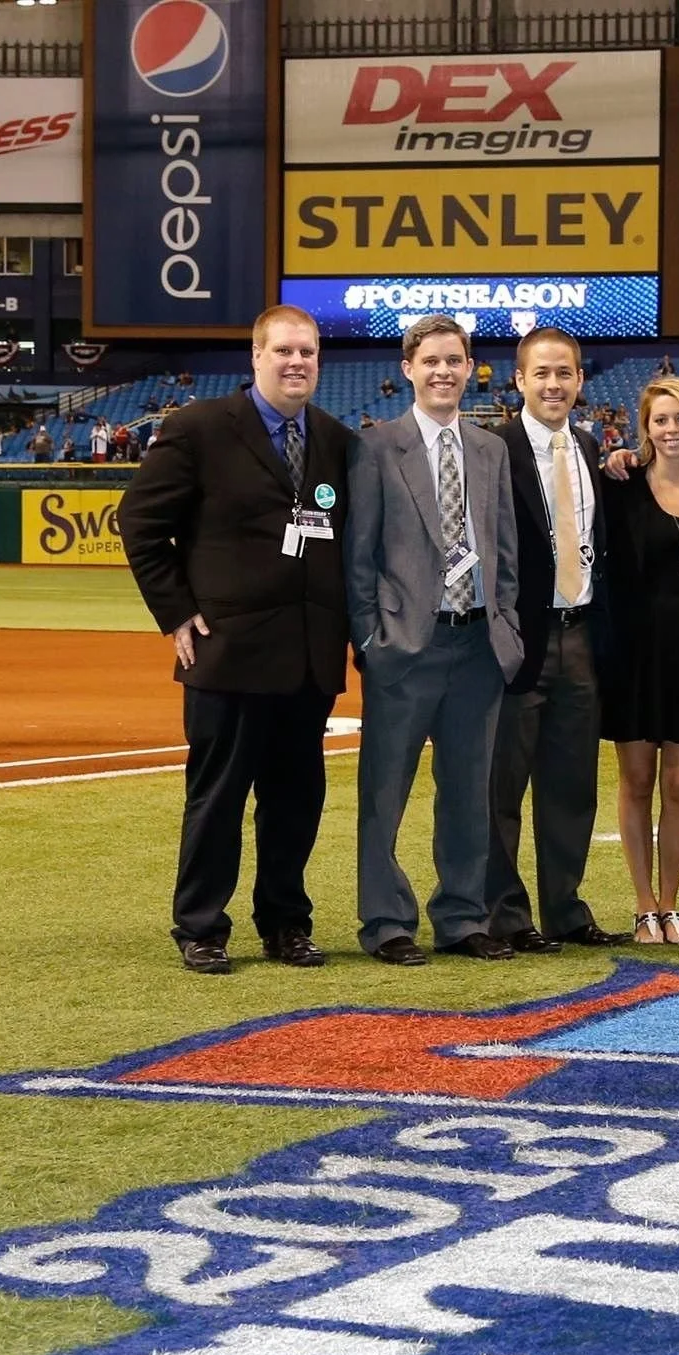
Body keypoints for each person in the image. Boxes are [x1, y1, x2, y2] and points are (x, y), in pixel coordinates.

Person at [117, 304, 356, 975]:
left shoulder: (337, 439)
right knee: (217, 798)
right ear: (256, 356)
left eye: (307, 351)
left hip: (307, 659)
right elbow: (138, 521)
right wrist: (174, 611)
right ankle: (201, 925)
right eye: (283, 351)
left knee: (295, 801)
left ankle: (286, 923)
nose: (296, 362)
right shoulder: (200, 429)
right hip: (227, 654)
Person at [347, 314, 523, 966]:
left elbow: (504, 553)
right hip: (405, 648)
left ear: (469, 366)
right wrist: (371, 637)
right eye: (432, 361)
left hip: (477, 646)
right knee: (384, 792)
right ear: (408, 369)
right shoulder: (376, 447)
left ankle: (462, 915)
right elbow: (359, 557)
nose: (444, 371)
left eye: (455, 360)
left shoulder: (490, 449)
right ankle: (387, 920)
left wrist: (505, 625)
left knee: (469, 792)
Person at [486, 327, 627, 953]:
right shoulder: (493, 450)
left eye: (564, 373)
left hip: (582, 635)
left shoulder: (591, 447)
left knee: (571, 786)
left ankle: (565, 909)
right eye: (541, 373)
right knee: (503, 786)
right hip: (520, 639)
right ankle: (505, 914)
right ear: (519, 380)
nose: (553, 384)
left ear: (578, 380)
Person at [601, 375, 679, 945]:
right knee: (637, 777)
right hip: (633, 649)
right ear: (644, 427)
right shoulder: (621, 485)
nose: (671, 430)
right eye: (660, 420)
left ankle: (672, 905)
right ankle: (642, 906)